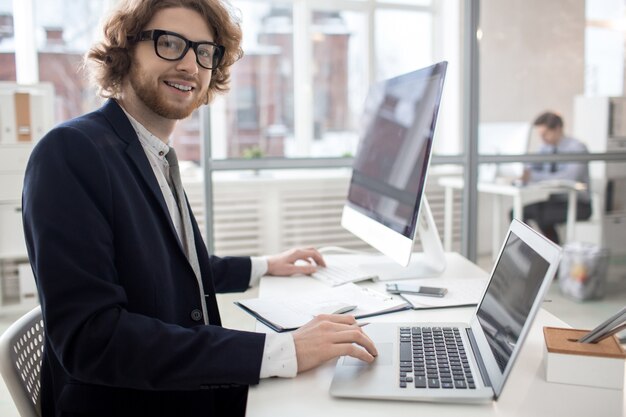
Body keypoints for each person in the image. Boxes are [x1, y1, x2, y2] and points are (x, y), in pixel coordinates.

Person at [21, 1, 377, 416]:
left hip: (182, 388)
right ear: (125, 49)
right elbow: (93, 339)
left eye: (204, 52)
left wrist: (264, 265)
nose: (190, 65)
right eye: (169, 43)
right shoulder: (72, 152)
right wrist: (282, 350)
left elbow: (170, 267)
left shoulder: (151, 154)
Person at [518, 111, 592, 244]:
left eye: (545, 134)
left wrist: (532, 176)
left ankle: (552, 256)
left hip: (578, 203)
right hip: (555, 201)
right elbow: (533, 165)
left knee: (542, 216)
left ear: (557, 129)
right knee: (517, 213)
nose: (543, 139)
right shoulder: (546, 148)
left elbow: (568, 179)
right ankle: (538, 254)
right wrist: (522, 170)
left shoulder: (577, 148)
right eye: (540, 135)